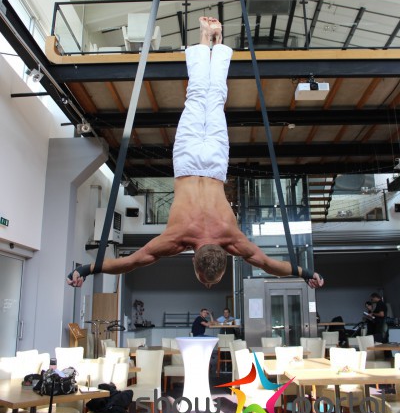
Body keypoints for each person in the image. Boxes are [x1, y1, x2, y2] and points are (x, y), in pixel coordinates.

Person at [67, 18, 324, 290]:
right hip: (188, 163)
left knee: (214, 101)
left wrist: (307, 273)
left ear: (225, 257)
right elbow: (130, 262)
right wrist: (85, 269)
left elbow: (269, 264)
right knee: (197, 97)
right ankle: (205, 37)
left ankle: (217, 39)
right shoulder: (176, 239)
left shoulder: (232, 239)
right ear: (193, 261)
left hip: (214, 165)